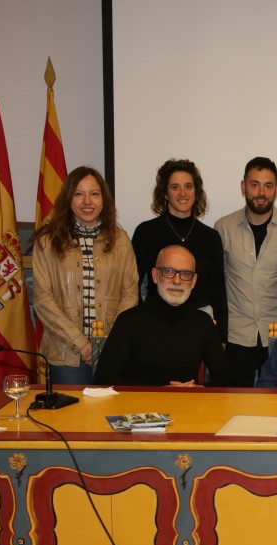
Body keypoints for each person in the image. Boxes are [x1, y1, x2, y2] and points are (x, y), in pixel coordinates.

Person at [31, 165, 138, 385]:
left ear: (104, 200)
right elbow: (43, 300)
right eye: (79, 194)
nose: (87, 201)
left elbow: (130, 293)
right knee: (70, 417)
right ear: (68, 199)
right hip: (65, 354)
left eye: (94, 194)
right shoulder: (47, 241)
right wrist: (80, 343)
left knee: (110, 415)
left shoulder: (121, 240)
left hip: (112, 349)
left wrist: (107, 341)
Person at [215, 156, 277, 386]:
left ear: (276, 190)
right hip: (235, 336)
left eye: (268, 185)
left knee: (276, 409)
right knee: (233, 408)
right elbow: (217, 284)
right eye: (254, 184)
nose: (261, 192)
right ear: (243, 187)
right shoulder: (223, 228)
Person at [94, 246, 229, 386]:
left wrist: (199, 389)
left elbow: (225, 378)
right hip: (139, 406)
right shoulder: (128, 321)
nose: (177, 281)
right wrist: (159, 392)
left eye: (186, 274)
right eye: (168, 271)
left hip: (187, 405)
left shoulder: (203, 322)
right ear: (155, 275)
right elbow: (103, 380)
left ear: (194, 281)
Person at [130, 159, 226, 339]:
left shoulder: (210, 237)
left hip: (200, 326)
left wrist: (221, 337)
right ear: (165, 194)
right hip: (155, 323)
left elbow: (219, 292)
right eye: (175, 187)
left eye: (188, 186)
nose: (183, 193)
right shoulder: (146, 232)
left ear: (196, 192)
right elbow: (132, 285)